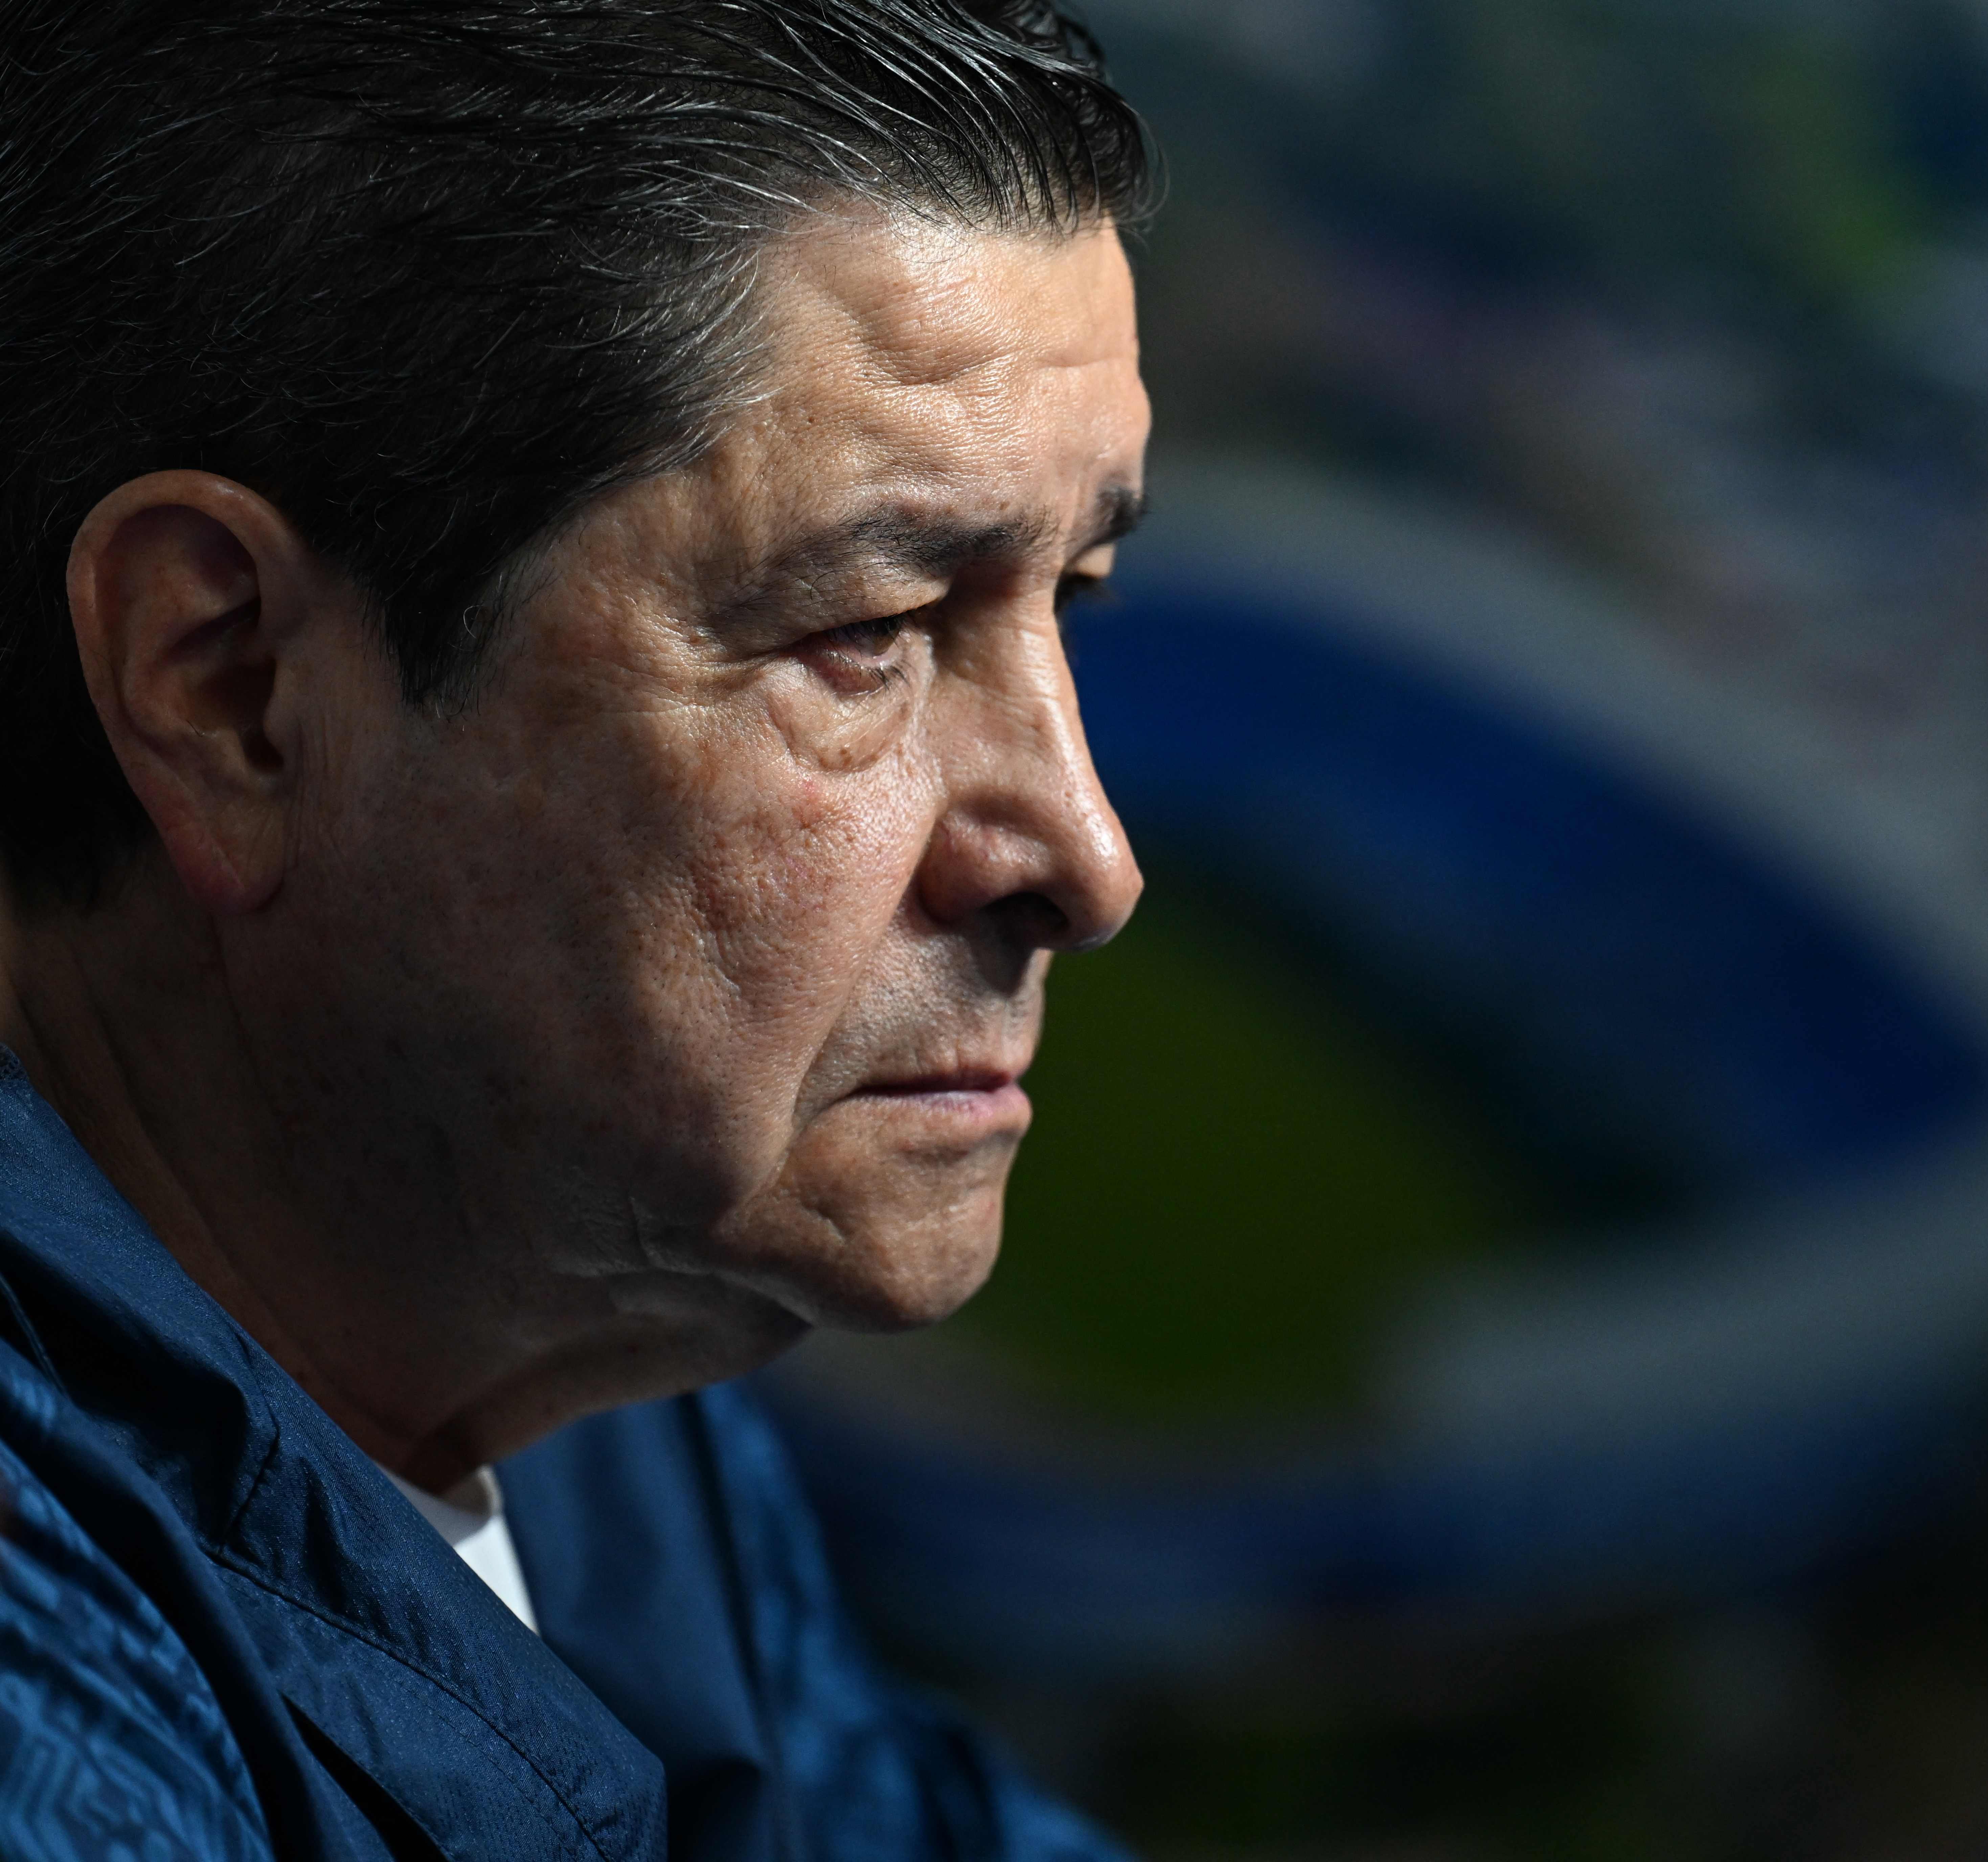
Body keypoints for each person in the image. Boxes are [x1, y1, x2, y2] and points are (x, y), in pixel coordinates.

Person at [0, 2, 1155, 1856]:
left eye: (1071, 596)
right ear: (230, 689)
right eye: (867, 632)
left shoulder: (574, 1311)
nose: (1087, 858)